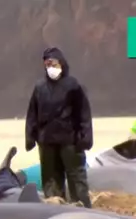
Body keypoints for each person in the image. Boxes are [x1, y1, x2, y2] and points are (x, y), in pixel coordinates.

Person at [25, 47, 93, 207]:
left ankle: (83, 207)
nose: (50, 68)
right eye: (47, 64)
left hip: (70, 140)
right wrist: (30, 136)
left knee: (76, 177)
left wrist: (86, 137)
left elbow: (83, 113)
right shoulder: (40, 87)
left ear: (61, 64)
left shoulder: (73, 85)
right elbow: (32, 114)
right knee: (50, 178)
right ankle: (55, 208)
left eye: (53, 64)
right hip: (47, 141)